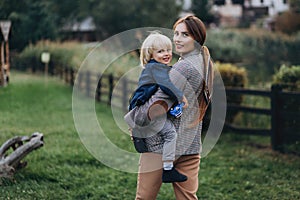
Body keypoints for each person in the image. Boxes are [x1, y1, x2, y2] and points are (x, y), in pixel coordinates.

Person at [135, 14, 214, 200]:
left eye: (185, 35)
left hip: (160, 147)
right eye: (176, 33)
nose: (177, 39)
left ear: (197, 38)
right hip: (191, 145)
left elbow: (152, 109)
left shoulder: (183, 68)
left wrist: (136, 118)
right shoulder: (206, 62)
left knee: (144, 198)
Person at [124, 32, 189, 183]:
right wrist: (181, 96)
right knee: (170, 134)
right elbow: (166, 86)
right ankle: (168, 169)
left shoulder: (154, 68)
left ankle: (139, 130)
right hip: (146, 112)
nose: (166, 54)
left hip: (143, 110)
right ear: (150, 55)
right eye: (160, 51)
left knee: (167, 131)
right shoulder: (156, 68)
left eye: (168, 50)